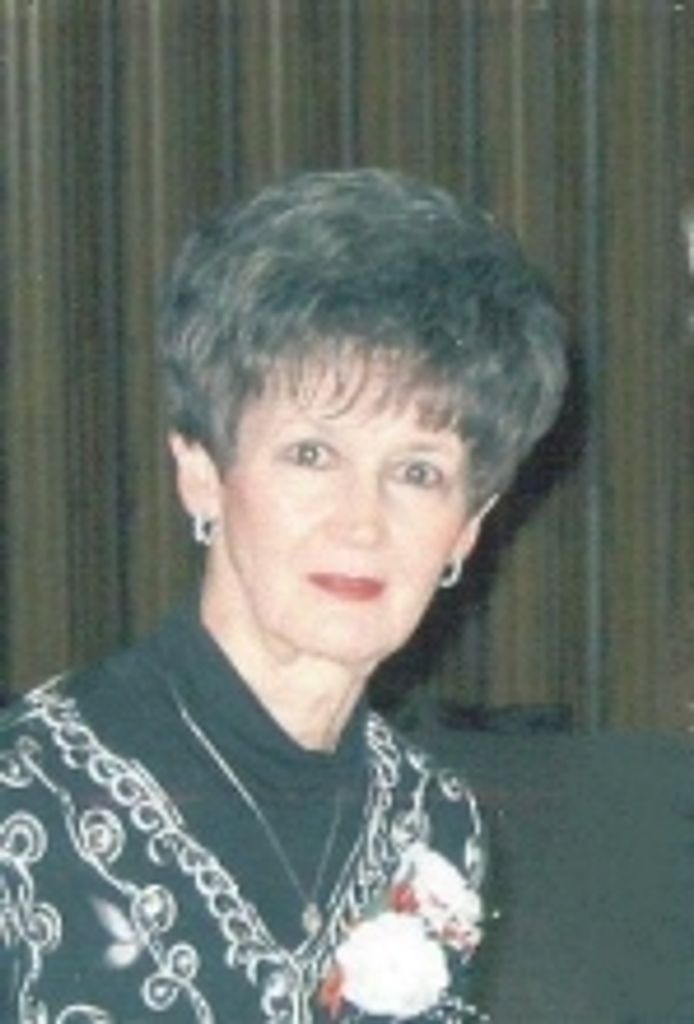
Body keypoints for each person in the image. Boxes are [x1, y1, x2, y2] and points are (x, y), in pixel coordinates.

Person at [0, 168, 567, 1023]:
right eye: (311, 454)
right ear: (202, 473)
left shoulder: (435, 826)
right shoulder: (26, 795)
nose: (362, 523)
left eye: (417, 473)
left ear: (466, 530)